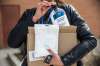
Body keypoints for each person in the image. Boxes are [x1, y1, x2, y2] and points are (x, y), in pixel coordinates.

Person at [8, 0, 97, 66]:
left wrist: (64, 61)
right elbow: (12, 43)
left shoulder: (68, 11)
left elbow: (90, 40)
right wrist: (33, 19)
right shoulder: (30, 14)